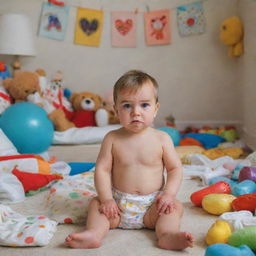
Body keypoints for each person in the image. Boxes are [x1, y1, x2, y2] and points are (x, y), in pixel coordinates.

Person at [65, 70, 194, 250]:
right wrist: (107, 199)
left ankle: (166, 235)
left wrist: (168, 195)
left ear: (156, 109)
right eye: (127, 106)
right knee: (96, 204)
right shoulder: (112, 138)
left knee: (175, 208)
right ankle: (94, 233)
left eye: (144, 105)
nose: (136, 112)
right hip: (117, 205)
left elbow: (175, 169)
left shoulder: (162, 139)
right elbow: (102, 170)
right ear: (116, 110)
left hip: (153, 205)